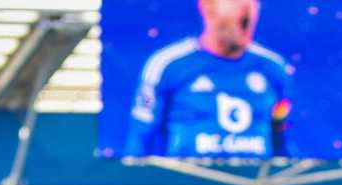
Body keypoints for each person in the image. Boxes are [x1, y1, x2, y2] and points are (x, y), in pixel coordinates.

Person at [125, 0, 292, 159]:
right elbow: (138, 146)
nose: (246, 6)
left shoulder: (275, 69)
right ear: (208, 6)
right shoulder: (166, 66)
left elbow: (282, 144)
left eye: (253, 1)